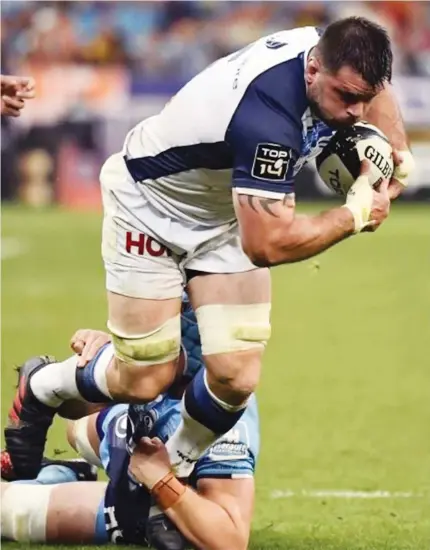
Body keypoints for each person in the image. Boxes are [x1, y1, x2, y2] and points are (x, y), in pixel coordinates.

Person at [5, 18, 415, 482]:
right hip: (151, 202)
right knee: (145, 378)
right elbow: (265, 245)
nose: (357, 112)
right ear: (312, 71)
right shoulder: (266, 119)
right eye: (346, 97)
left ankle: (170, 469)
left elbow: (373, 87)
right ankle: (41, 387)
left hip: (225, 210)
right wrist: (357, 212)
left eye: (366, 97)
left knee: (235, 376)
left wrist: (396, 148)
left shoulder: (329, 47)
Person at [2, 325, 258, 550]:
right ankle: (67, 472)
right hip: (130, 438)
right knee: (78, 429)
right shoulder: (160, 352)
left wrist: (161, 481)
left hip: (156, 492)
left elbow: (230, 541)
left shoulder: (224, 417)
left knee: (10, 513)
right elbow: (70, 410)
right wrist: (98, 367)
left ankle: (73, 483)